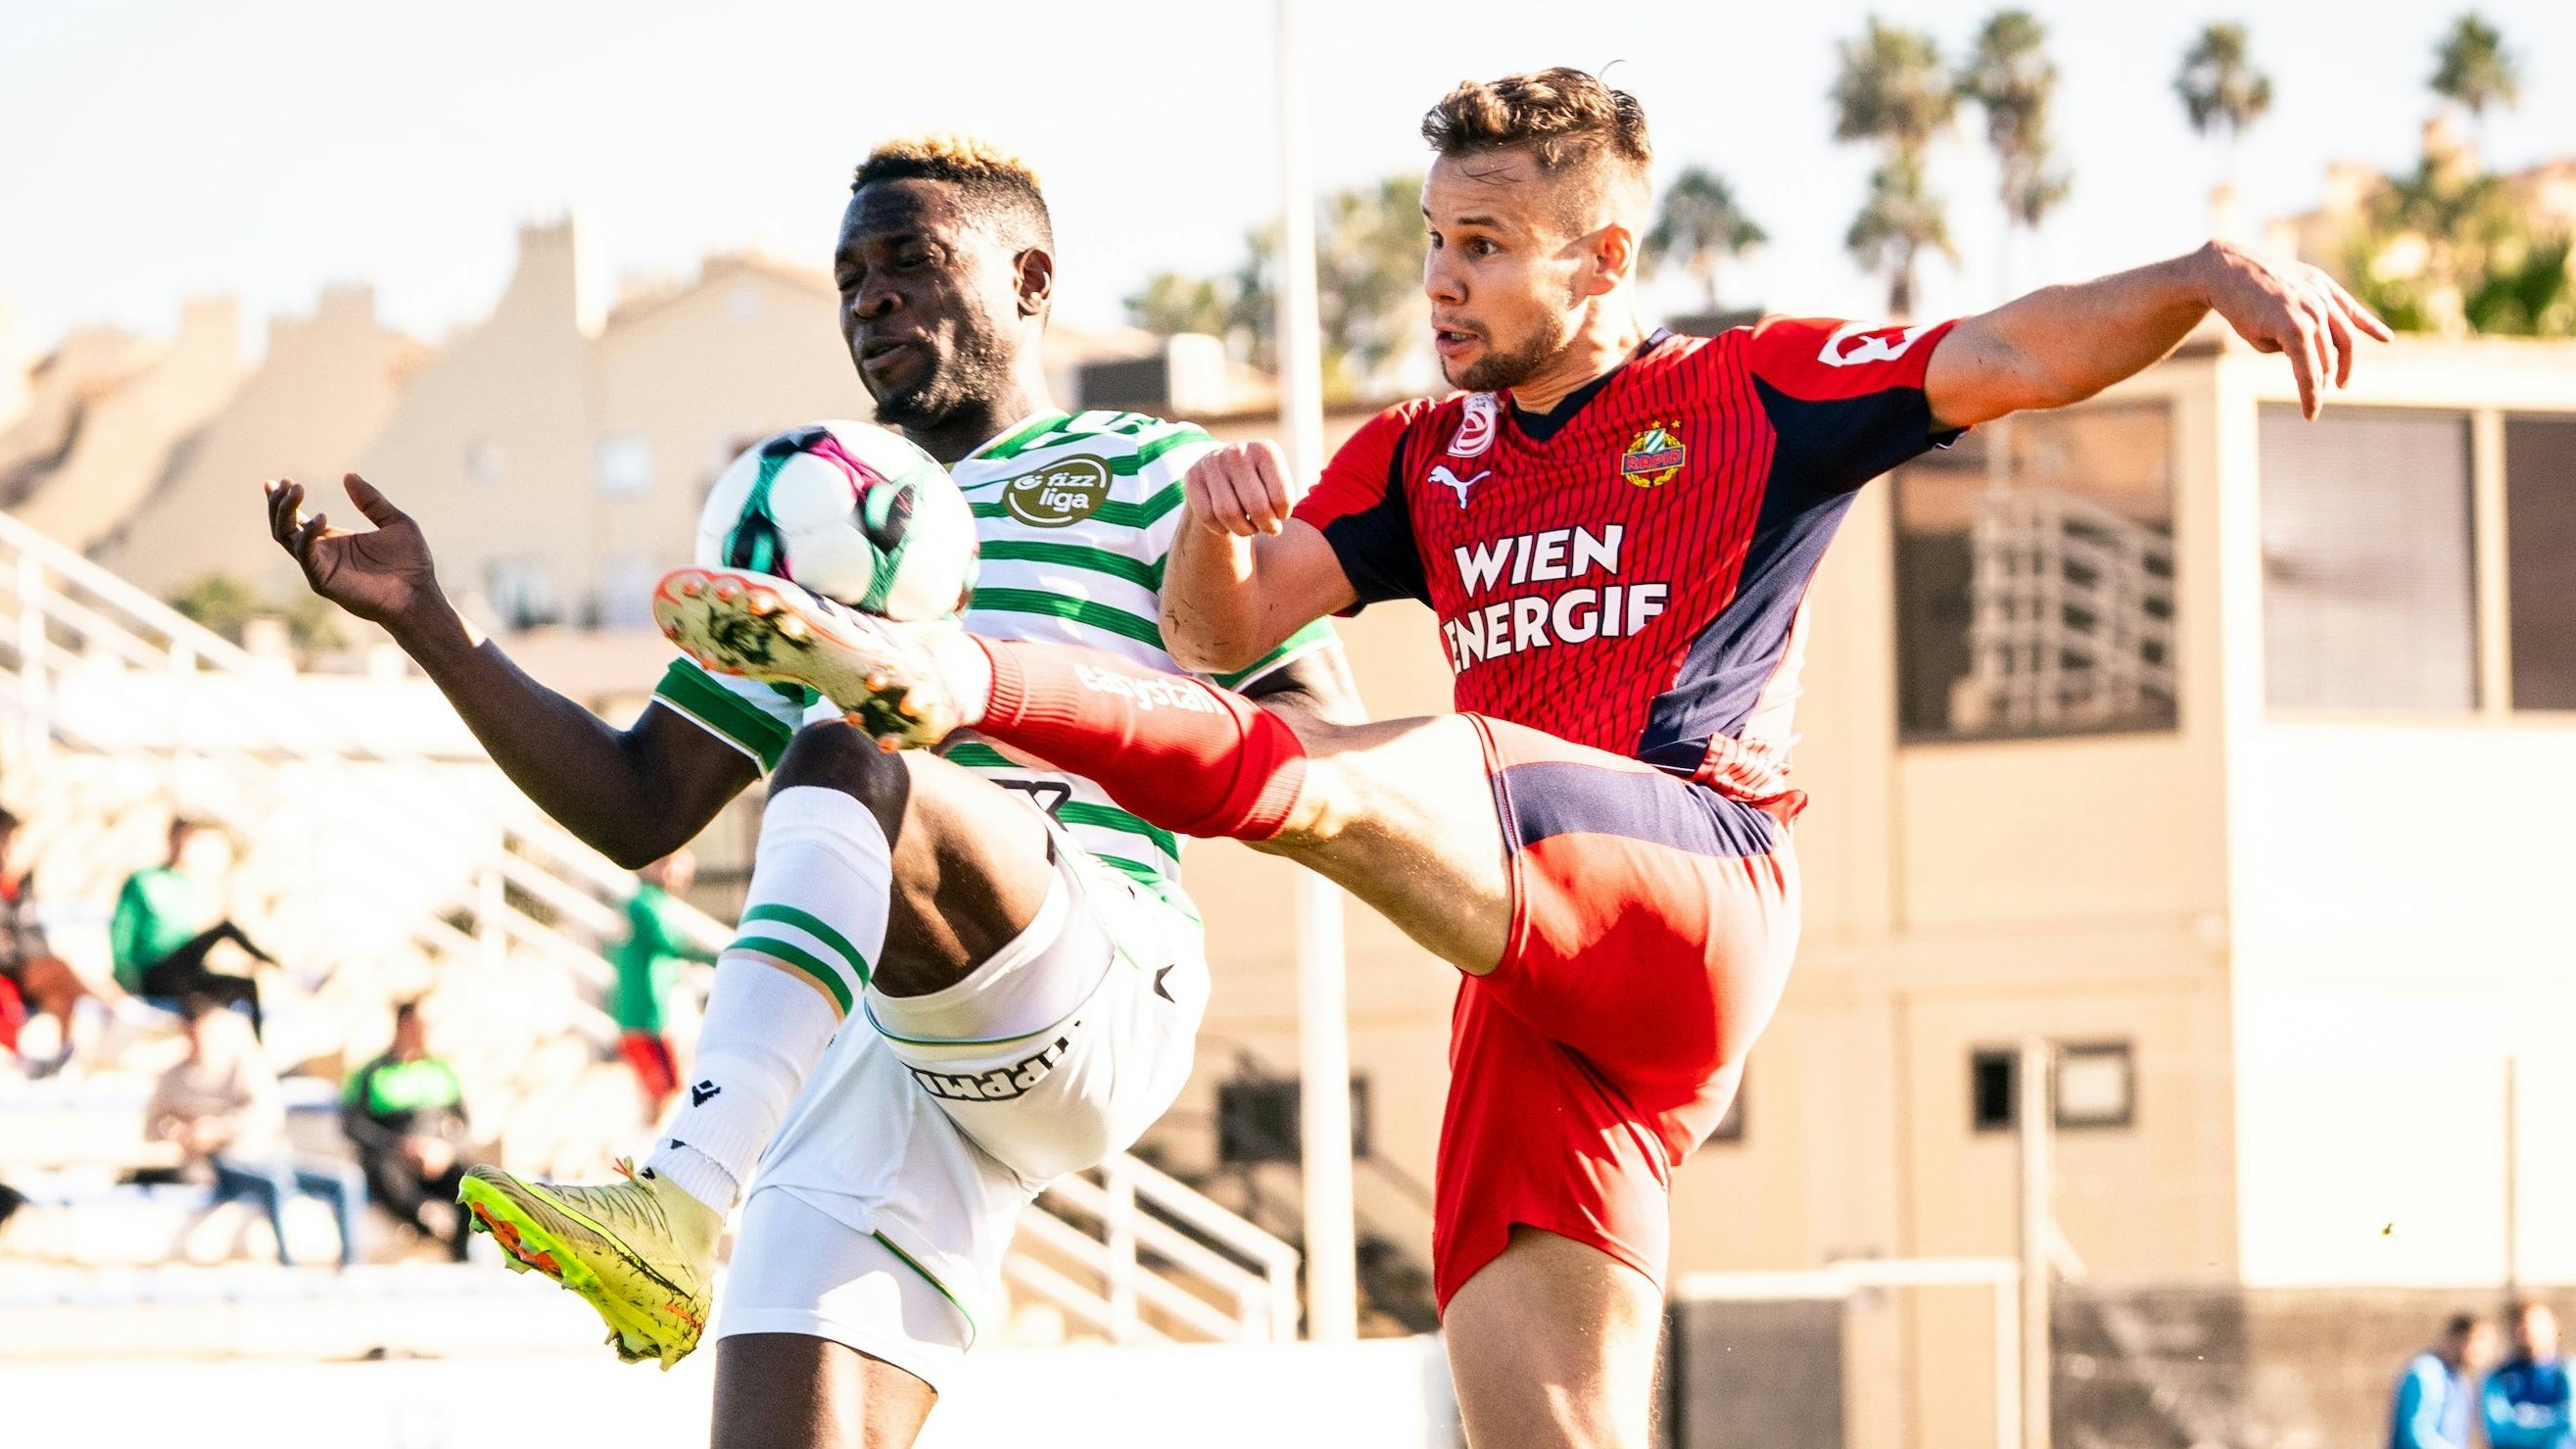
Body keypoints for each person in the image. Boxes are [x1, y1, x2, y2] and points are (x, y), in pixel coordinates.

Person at [647, 71, 2391, 1449]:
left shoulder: (1748, 391)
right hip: (1536, 978)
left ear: (1604, 259)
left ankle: (954, 675)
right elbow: (1215, 623)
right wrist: (1212, 542)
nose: (1442, 280)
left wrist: (2200, 276)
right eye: (1433, 238)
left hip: (1687, 876)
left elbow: (2005, 355)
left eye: (1486, 242)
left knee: (1342, 772)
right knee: (1534, 1419)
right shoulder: (1428, 452)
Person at [264, 135, 1356, 1441]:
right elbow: (639, 802)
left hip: (1093, 958)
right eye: (847, 276)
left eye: (909, 261)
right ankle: (687, 1214)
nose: (868, 298)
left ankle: (681, 1185)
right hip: (877, 1048)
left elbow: (1316, 736)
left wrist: (1031, 695)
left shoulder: (1145, 468)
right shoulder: (818, 512)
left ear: (1030, 278)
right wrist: (435, 625)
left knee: (851, 752)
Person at [146, 996, 363, 1268]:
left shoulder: (242, 1065)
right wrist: (180, 1131)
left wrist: (219, 1129)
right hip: (217, 1165)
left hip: (262, 1154)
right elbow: (150, 1128)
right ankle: (289, 1264)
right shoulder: (172, 1077)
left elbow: (267, 1114)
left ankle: (351, 1265)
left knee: (345, 1180)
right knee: (273, 1184)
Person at [111, 818, 275, 1037]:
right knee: (224, 928)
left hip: (181, 971)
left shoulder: (188, 885)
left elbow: (187, 939)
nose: (187, 849)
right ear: (172, 839)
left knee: (246, 986)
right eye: (184, 840)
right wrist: (126, 983)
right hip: (154, 972)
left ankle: (257, 1049)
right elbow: (122, 937)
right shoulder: (143, 880)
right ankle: (275, 964)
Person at [342, 1000, 473, 1261]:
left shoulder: (440, 1070)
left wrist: (446, 1149)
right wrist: (400, 1146)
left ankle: (461, 1255)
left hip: (435, 1158)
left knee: (471, 1179)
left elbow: (465, 1125)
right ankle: (424, 1215)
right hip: (394, 1157)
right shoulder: (373, 1073)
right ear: (404, 1025)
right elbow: (353, 1125)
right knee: (382, 1168)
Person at [613, 850, 718, 1117]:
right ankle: (646, 1155)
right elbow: (669, 944)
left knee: (667, 1095)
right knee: (664, 1095)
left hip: (658, 1017)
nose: (672, 869)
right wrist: (723, 956)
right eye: (662, 861)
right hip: (644, 1018)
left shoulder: (658, 903)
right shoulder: (642, 904)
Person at [0, 806, 92, 1074]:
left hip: (24, 965)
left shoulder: (17, 884)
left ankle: (63, 1051)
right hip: (12, 970)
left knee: (58, 986)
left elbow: (29, 932)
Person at [2393, 1313, 2495, 1449]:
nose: (2484, 1349)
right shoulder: (2426, 1373)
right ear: (2456, 1338)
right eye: (2479, 1339)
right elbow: (2416, 1435)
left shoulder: (2460, 1381)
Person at [2488, 1301, 2574, 1449]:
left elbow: (2571, 1421)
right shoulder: (2497, 1377)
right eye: (2521, 1322)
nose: (2528, 1328)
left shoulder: (2569, 1371)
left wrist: (2524, 1416)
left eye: (2537, 1321)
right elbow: (2501, 1430)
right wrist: (2555, 1418)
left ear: (2554, 1327)